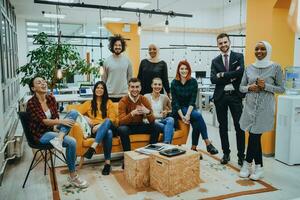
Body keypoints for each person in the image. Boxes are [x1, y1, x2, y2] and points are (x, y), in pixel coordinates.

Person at [26, 76, 88, 189]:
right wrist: (62, 122)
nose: (43, 83)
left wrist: (57, 128)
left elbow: (55, 118)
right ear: (33, 88)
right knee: (71, 142)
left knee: (73, 112)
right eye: (39, 83)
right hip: (40, 134)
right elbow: (44, 121)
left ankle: (58, 139)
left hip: (52, 130)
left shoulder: (51, 98)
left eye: (44, 81)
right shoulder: (31, 103)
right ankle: (73, 176)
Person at [239, 41, 284, 180]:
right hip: (250, 107)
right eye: (257, 48)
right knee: (255, 137)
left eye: (262, 49)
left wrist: (266, 86)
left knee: (254, 135)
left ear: (268, 50)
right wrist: (249, 88)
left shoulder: (276, 67)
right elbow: (241, 87)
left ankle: (247, 164)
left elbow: (282, 89)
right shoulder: (249, 68)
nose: (259, 51)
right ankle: (259, 168)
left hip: (264, 109)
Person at [171, 60, 218, 158]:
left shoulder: (193, 81)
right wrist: (183, 116)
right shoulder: (174, 82)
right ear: (178, 70)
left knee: (196, 123)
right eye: (182, 69)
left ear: (189, 70)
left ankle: (193, 148)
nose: (184, 71)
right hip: (178, 110)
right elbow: (175, 102)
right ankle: (207, 143)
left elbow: (192, 100)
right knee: (198, 115)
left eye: (186, 68)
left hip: (190, 108)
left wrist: (188, 115)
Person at [210, 33, 245, 166]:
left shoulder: (238, 56)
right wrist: (231, 76)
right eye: (220, 43)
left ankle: (241, 156)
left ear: (229, 42)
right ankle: (226, 153)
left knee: (239, 127)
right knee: (222, 127)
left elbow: (240, 72)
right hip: (221, 97)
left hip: (235, 96)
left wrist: (223, 74)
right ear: (217, 45)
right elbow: (213, 79)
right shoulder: (215, 61)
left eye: (225, 42)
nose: (223, 45)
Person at [76, 81, 117, 175]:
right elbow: (76, 113)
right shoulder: (88, 103)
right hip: (96, 130)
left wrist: (100, 125)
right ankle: (107, 164)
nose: (99, 89)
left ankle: (93, 147)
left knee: (107, 122)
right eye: (97, 87)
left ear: (104, 90)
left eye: (102, 88)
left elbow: (112, 118)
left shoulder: (109, 103)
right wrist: (85, 117)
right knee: (108, 133)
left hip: (108, 125)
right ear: (94, 90)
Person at [117, 78, 160, 153]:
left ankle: (150, 153)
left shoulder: (144, 99)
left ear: (140, 88)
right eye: (132, 87)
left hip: (140, 125)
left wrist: (148, 112)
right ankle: (128, 155)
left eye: (137, 87)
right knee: (122, 129)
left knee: (156, 126)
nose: (135, 89)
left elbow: (152, 120)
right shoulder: (123, 101)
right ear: (129, 88)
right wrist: (132, 114)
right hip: (128, 127)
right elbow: (121, 122)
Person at [102, 34, 133, 102]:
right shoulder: (106, 61)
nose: (117, 47)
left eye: (119, 45)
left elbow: (130, 78)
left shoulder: (128, 60)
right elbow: (104, 79)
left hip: (124, 94)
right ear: (112, 46)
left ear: (122, 47)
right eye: (115, 45)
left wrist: (130, 91)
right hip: (109, 94)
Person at [145, 77, 174, 144]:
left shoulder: (165, 97)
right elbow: (143, 113)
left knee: (171, 119)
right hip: (151, 121)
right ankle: (167, 144)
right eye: (155, 84)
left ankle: (166, 143)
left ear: (162, 86)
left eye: (159, 84)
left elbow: (171, 110)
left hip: (161, 120)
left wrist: (167, 112)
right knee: (171, 129)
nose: (157, 86)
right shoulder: (146, 97)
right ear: (151, 85)